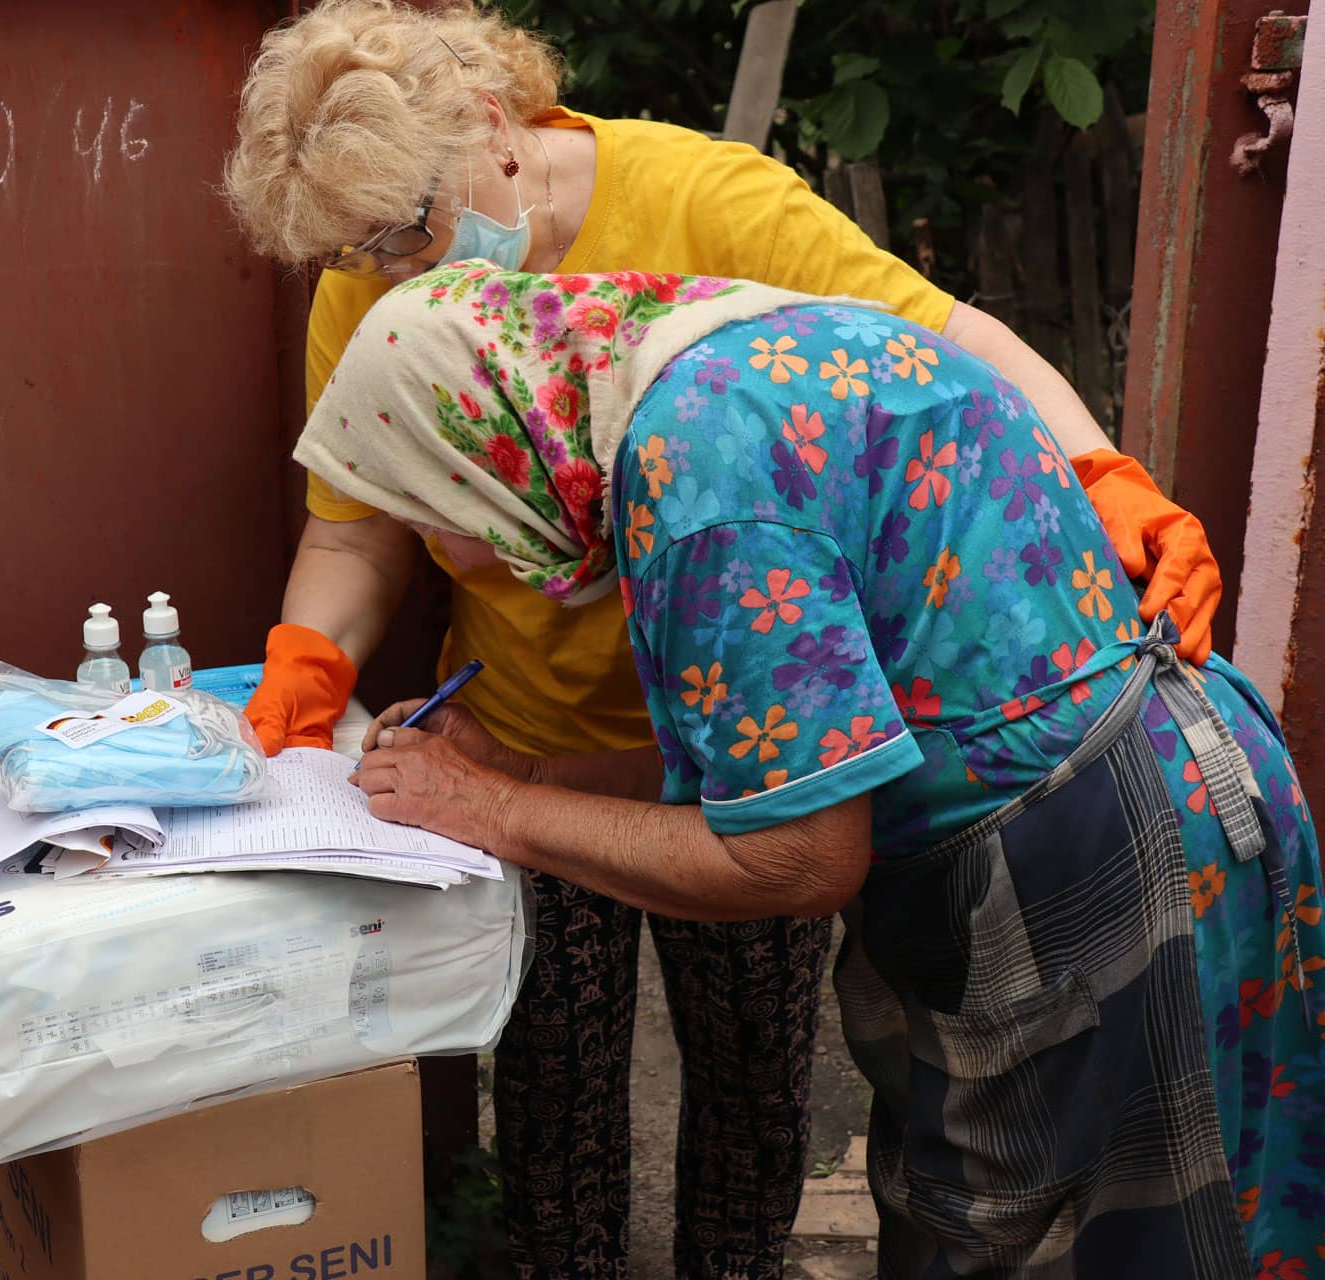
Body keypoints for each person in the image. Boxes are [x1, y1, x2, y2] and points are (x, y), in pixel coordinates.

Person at [222, 4, 1223, 1274]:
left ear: (491, 125)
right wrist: (309, 681)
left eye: (411, 226)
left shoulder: (703, 350)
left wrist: (1100, 470)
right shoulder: (387, 294)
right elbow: (363, 519)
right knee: (556, 1104)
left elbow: (942, 339)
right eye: (364, 251)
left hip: (768, 723)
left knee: (759, 1082)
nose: (399, 271)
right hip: (551, 726)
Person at [310, 259, 1324, 1278]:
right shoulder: (728, 362)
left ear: (479, 449)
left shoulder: (697, 477)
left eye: (425, 504)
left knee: (1094, 1245)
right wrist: (523, 763)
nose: (446, 546)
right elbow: (783, 755)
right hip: (1162, 781)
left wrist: (494, 808)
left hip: (1093, 844)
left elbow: (794, 857)